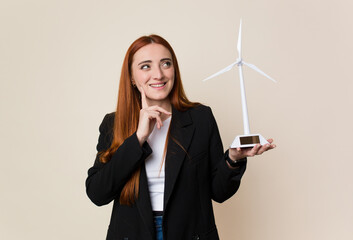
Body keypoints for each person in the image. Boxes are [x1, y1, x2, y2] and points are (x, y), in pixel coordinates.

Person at [86, 34, 276, 240]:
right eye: (145, 66)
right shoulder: (113, 124)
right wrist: (138, 137)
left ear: (174, 69)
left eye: (165, 64)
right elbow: (97, 193)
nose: (158, 74)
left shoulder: (201, 118)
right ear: (132, 77)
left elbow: (218, 192)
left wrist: (233, 159)